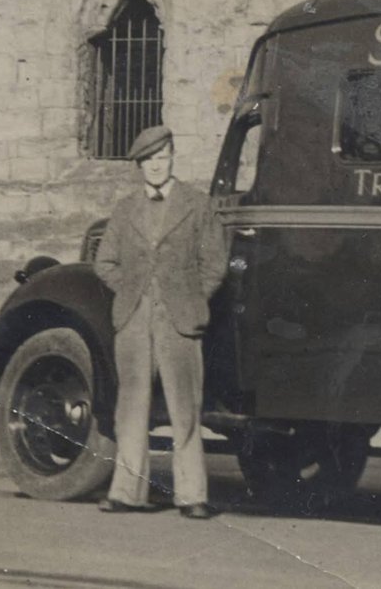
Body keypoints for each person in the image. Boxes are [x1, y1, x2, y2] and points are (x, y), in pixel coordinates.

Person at [93, 126, 228, 519]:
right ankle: (127, 493)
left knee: (185, 407)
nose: (155, 166)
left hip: (179, 320)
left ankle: (192, 495)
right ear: (139, 166)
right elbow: (105, 262)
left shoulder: (197, 205)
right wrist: (131, 289)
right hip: (134, 319)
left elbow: (215, 264)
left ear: (172, 158)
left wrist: (190, 298)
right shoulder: (125, 209)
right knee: (130, 407)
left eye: (161, 157)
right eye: (147, 161)